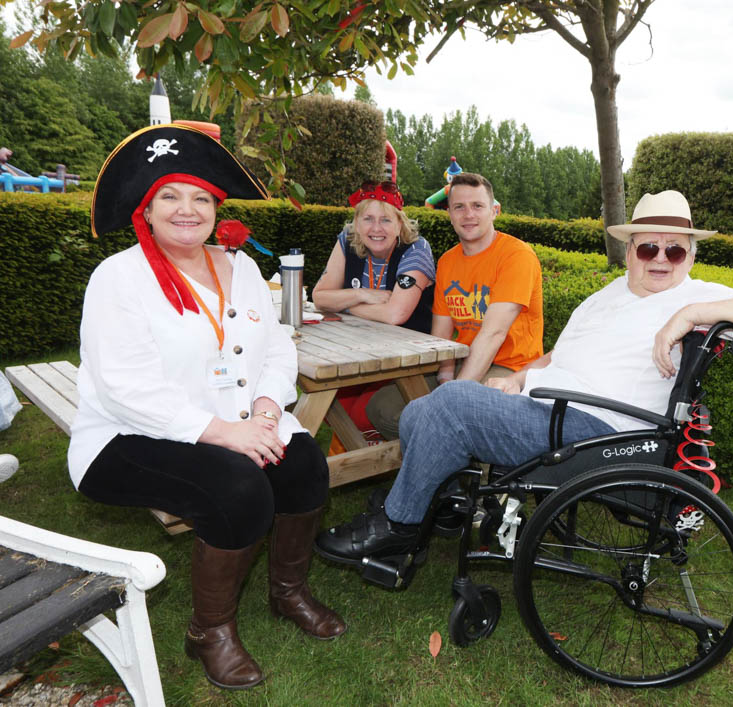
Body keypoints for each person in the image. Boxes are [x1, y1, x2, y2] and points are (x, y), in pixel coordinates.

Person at [316, 190, 733, 559]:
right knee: (420, 409)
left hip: (599, 432)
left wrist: (687, 316)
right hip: (548, 406)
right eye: (648, 248)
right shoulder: (606, 296)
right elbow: (556, 356)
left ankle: (400, 525)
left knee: (449, 403)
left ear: (691, 256)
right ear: (629, 250)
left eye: (675, 250)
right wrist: (518, 378)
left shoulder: (696, 296)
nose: (660, 259)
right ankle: (435, 501)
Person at [69, 124, 344, 691]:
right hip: (124, 436)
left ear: (217, 207)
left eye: (200, 197)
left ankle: (288, 593)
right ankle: (209, 631)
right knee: (236, 486)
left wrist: (267, 411)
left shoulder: (240, 268)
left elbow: (275, 348)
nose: (186, 209)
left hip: (236, 422)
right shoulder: (117, 278)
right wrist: (222, 432)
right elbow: (125, 387)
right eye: (169, 195)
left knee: (306, 462)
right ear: (145, 209)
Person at [361, 171, 544, 439]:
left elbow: (493, 335)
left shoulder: (516, 257)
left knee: (453, 415)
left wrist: (451, 396)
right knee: (381, 407)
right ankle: (444, 460)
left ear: (495, 211)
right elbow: (442, 335)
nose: (468, 214)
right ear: (450, 214)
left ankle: (462, 468)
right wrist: (445, 378)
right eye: (459, 207)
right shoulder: (447, 262)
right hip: (464, 360)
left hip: (508, 368)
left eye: (477, 206)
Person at [311, 182, 435, 442]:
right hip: (359, 352)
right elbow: (320, 297)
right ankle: (352, 466)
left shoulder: (416, 249)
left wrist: (344, 303)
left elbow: (395, 315)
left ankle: (377, 466)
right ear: (356, 223)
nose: (376, 228)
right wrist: (362, 294)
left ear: (400, 224)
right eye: (367, 218)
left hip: (408, 359)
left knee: (360, 415)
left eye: (386, 220)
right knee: (332, 403)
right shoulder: (347, 240)